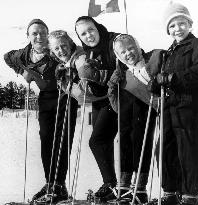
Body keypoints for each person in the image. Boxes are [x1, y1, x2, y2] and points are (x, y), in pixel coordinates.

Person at [4, 19, 78, 204]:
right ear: (28, 36)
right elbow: (7, 56)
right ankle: (50, 183)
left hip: (65, 94)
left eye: (43, 32)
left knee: (62, 138)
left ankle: (59, 186)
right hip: (46, 97)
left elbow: (73, 50)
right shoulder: (23, 55)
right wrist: (22, 73)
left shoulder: (55, 48)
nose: (39, 36)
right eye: (34, 33)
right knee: (46, 138)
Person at [150, 3, 198, 205]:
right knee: (165, 148)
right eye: (172, 26)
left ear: (189, 24)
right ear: (168, 30)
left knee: (188, 149)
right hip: (170, 106)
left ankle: (189, 195)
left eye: (181, 23)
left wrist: (173, 78)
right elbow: (162, 77)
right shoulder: (168, 52)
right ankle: (170, 192)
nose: (177, 29)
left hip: (191, 105)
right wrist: (156, 82)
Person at [107, 34, 162, 203]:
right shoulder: (121, 72)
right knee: (124, 144)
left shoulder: (148, 62)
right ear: (118, 56)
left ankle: (139, 188)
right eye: (122, 52)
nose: (128, 53)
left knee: (141, 143)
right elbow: (112, 96)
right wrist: (112, 85)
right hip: (126, 113)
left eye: (131, 48)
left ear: (138, 47)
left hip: (144, 110)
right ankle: (124, 186)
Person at [75, 16, 120, 202]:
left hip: (119, 97)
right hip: (101, 101)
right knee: (102, 142)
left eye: (91, 30)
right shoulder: (88, 52)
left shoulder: (113, 41)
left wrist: (102, 75)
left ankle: (114, 184)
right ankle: (111, 184)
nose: (88, 35)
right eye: (83, 33)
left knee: (98, 140)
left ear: (98, 27)